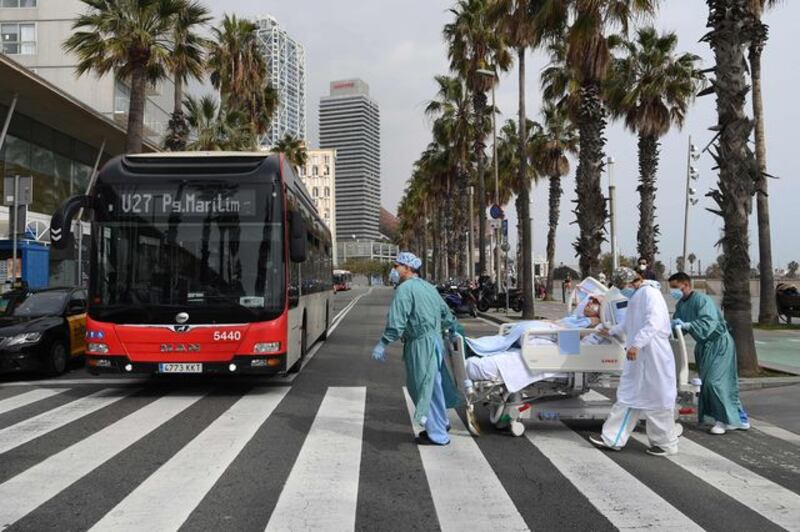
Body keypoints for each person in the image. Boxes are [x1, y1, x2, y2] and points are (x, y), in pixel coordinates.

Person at [589, 267, 681, 457]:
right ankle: (612, 438)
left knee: (658, 399)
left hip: (653, 353)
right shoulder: (636, 297)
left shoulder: (650, 294)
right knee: (629, 395)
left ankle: (666, 444)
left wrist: (636, 345)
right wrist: (612, 330)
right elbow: (629, 323)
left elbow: (653, 323)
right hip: (640, 355)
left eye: (622, 287)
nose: (622, 291)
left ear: (632, 282)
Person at [372, 252, 461, 446]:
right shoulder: (428, 287)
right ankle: (440, 423)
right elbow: (446, 314)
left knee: (423, 388)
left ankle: (437, 435)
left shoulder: (405, 290)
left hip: (420, 345)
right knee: (433, 386)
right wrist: (450, 328)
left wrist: (383, 343)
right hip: (435, 342)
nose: (394, 270)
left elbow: (396, 323)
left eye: (397, 266)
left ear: (408, 268)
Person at [669, 272, 750, 435]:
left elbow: (708, 323)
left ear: (686, 285)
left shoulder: (701, 300)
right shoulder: (681, 305)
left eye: (675, 287)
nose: (673, 291)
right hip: (704, 347)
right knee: (716, 383)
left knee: (715, 383)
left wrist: (688, 326)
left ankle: (723, 420)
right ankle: (739, 417)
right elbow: (676, 328)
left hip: (719, 344)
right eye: (671, 288)